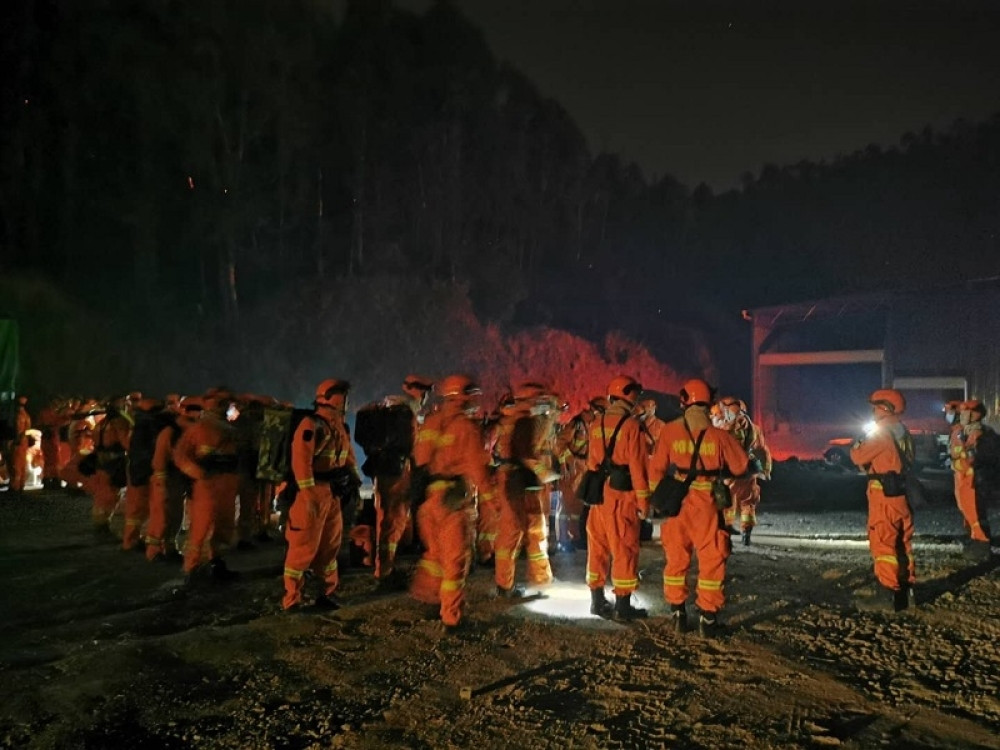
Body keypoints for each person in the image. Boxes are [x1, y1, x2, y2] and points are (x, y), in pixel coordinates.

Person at [648, 379, 749, 636]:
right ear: (709, 404)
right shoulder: (720, 436)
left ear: (684, 401)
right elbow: (740, 467)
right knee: (712, 560)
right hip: (707, 507)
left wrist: (655, 500)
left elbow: (656, 469)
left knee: (676, 560)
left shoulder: (669, 431)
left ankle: (678, 614)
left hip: (676, 504)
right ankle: (708, 620)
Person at [409, 374, 495, 631]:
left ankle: (426, 598)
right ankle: (452, 618)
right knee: (455, 562)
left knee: (434, 556)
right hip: (454, 502)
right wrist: (491, 500)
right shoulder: (467, 427)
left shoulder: (432, 422)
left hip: (430, 500)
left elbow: (420, 459)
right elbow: (478, 468)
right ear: (464, 396)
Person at [281, 379, 360, 611]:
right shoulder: (311, 425)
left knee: (329, 548)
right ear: (330, 397)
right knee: (302, 548)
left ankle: (326, 594)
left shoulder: (339, 427)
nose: (346, 401)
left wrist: (352, 482)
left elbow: (348, 458)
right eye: (342, 396)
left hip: (332, 495)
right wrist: (309, 495)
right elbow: (301, 464)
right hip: (312, 494)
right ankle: (292, 600)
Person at [585, 376, 651, 622]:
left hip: (599, 495)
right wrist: (644, 504)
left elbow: (591, 462)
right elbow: (638, 468)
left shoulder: (596, 423)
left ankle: (597, 600)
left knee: (597, 547)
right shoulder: (632, 426)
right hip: (621, 496)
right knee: (624, 548)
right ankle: (622, 607)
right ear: (631, 397)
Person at [849, 388, 916, 612]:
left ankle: (886, 594)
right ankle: (907, 592)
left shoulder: (882, 433)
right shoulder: (903, 432)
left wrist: (858, 443)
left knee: (883, 544)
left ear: (884, 408)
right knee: (902, 544)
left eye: (875, 406)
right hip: (901, 495)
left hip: (883, 497)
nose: (873, 411)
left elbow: (858, 457)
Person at [493, 383, 556, 598]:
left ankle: (531, 580)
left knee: (532, 530)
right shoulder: (523, 422)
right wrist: (546, 473)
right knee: (516, 533)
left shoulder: (511, 419)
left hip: (518, 481)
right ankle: (508, 585)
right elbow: (526, 454)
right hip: (518, 482)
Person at [173, 391, 241, 584]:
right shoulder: (198, 429)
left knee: (224, 526)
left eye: (226, 402)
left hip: (226, 483)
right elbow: (180, 456)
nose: (223, 405)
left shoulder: (230, 429)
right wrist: (198, 473)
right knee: (201, 528)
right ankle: (193, 569)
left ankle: (216, 564)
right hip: (207, 485)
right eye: (220, 402)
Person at [372, 375, 434, 587]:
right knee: (394, 520)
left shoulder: (389, 408)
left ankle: (384, 567)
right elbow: (414, 446)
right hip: (399, 472)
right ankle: (385, 572)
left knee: (385, 520)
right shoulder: (406, 412)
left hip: (384, 471)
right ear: (420, 391)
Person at [145, 396, 196, 563]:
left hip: (178, 479)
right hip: (166, 478)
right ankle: (154, 551)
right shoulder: (170, 432)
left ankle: (170, 547)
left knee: (175, 515)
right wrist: (161, 480)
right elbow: (160, 457)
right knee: (161, 515)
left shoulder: (187, 431)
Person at [718, 396, 772, 546]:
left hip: (729, 472)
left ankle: (726, 531)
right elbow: (762, 450)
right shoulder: (754, 429)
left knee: (727, 503)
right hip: (748, 471)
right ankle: (746, 533)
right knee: (748, 503)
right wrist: (765, 470)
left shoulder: (722, 429)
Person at [948, 399, 995, 560]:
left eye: (964, 412)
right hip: (963, 476)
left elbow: (973, 457)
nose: (961, 415)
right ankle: (973, 540)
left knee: (975, 511)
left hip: (973, 478)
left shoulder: (979, 434)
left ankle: (981, 545)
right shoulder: (963, 430)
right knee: (967, 510)